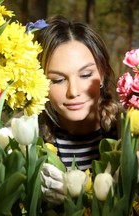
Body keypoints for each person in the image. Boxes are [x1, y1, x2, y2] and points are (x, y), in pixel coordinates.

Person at [34, 15, 121, 204]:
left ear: (103, 74)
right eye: (58, 80)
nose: (73, 91)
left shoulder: (128, 128)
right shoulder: (29, 136)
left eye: (86, 74)